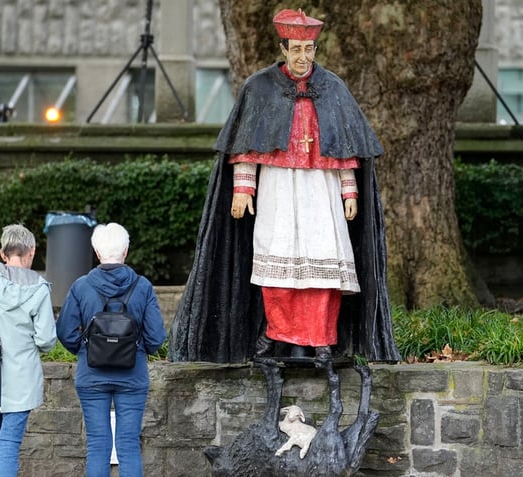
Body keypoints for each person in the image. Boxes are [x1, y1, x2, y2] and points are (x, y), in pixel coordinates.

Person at [169, 8, 399, 364]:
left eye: (308, 50)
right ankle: (278, 334)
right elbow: (247, 141)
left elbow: (345, 144)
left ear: (315, 50)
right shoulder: (259, 88)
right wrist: (243, 187)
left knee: (324, 264)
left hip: (321, 191)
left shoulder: (333, 88)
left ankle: (321, 337)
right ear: (283, 48)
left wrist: (349, 190)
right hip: (276, 188)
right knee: (276, 265)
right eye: (295, 49)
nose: (302, 57)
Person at [56, 222, 167, 477]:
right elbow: (156, 337)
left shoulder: (81, 286)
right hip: (133, 376)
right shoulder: (143, 287)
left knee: (97, 445)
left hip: (91, 376)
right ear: (126, 251)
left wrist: (84, 350)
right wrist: (140, 350)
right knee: (128, 446)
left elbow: (64, 331)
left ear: (96, 253)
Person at [0, 224, 57, 477]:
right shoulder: (39, 289)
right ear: (31, 251)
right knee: (8, 447)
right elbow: (47, 340)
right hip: (20, 383)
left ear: (3, 253)